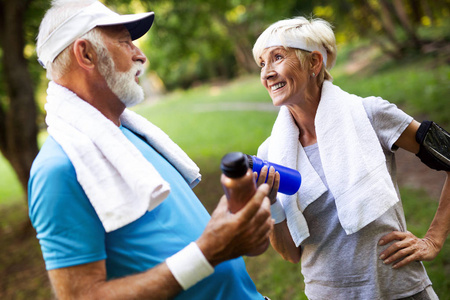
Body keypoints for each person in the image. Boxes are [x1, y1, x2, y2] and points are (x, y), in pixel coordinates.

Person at [28, 1, 274, 299]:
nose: (140, 55)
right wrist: (208, 253)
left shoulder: (128, 135)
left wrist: (240, 227)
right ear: (86, 54)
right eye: (125, 42)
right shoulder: (58, 169)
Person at [251, 16, 450, 299]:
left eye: (278, 57)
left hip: (400, 290)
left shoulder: (370, 114)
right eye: (262, 63)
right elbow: (290, 254)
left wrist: (433, 239)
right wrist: (270, 202)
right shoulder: (269, 154)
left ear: (314, 63)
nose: (267, 73)